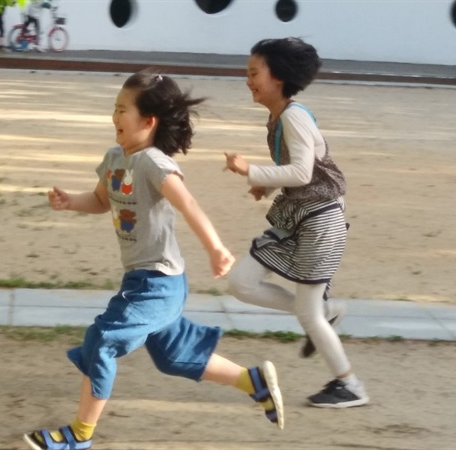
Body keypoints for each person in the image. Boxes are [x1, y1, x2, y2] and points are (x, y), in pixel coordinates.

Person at [23, 72, 284, 450]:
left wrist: (215, 247)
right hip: (141, 282)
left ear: (148, 121)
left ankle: (78, 437)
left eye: (122, 109)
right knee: (174, 355)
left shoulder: (154, 164)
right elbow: (100, 200)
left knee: (102, 340)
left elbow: (188, 203)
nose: (114, 116)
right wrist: (71, 203)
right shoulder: (115, 158)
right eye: (114, 108)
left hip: (157, 284)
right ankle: (253, 381)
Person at [224, 37, 369, 409]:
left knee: (307, 311)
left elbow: (303, 172)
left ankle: (350, 385)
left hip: (320, 220)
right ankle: (327, 312)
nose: (248, 80)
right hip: (300, 216)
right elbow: (300, 172)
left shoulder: (294, 116)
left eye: (254, 72)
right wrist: (267, 184)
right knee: (241, 282)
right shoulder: (279, 118)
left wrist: (251, 170)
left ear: (279, 77)